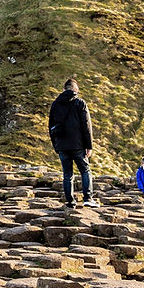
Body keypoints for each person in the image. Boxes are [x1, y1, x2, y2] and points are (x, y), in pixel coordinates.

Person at [48, 78, 96, 206]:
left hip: (62, 145)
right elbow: (86, 126)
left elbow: (50, 126)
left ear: (64, 89)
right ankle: (88, 199)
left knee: (67, 174)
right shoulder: (80, 103)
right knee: (85, 171)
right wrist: (89, 146)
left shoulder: (55, 104)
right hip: (78, 145)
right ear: (76, 90)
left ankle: (70, 201)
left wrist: (56, 146)